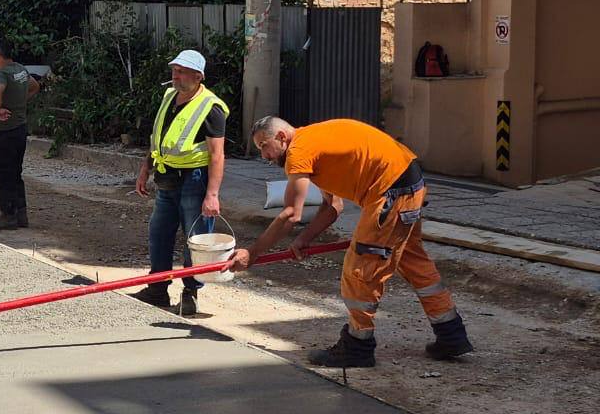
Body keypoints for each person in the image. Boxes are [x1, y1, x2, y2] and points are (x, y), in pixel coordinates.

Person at [230, 116, 474, 368]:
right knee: (412, 260)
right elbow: (333, 206)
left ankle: (357, 347)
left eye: (264, 146)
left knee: (360, 269)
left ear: (282, 137)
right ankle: (451, 334)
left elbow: (292, 213)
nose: (264, 156)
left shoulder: (298, 151)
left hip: (390, 192)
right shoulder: (312, 141)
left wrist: (253, 253)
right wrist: (305, 239)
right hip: (408, 183)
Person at [132, 49, 227, 315]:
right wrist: (145, 169)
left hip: (194, 180)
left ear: (198, 76)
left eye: (182, 71)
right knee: (159, 233)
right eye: (174, 70)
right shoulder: (169, 97)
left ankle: (190, 293)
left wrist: (213, 194)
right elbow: (158, 137)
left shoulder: (211, 108)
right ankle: (157, 288)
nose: (176, 75)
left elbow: (217, 155)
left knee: (195, 239)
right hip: (167, 176)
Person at [0, 38, 40, 231]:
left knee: (3, 172)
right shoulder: (20, 70)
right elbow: (35, 86)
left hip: (3, 131)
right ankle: (21, 213)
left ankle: (8, 215)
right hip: (19, 129)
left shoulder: (2, 74)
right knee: (16, 172)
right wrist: (19, 102)